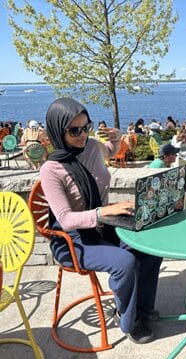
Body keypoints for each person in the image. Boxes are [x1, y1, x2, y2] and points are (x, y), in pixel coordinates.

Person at [40, 97, 162, 344]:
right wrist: (104, 212)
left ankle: (144, 309)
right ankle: (128, 319)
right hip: (71, 240)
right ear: (57, 130)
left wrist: (116, 138)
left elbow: (112, 151)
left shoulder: (92, 146)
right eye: (74, 130)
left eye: (87, 127)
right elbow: (65, 219)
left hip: (101, 226)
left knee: (149, 246)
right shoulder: (51, 170)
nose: (83, 134)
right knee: (124, 261)